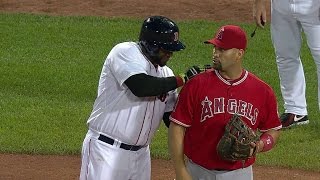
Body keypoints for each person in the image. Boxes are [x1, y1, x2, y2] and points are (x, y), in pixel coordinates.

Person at [79, 15, 187, 180]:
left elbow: (172, 119)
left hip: (141, 156)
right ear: (151, 45)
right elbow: (140, 86)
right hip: (107, 150)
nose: (170, 54)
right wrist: (181, 80)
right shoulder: (125, 52)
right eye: (166, 49)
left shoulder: (166, 74)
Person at [168, 25, 282, 180]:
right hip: (197, 171)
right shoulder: (196, 84)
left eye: (222, 49)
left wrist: (260, 145)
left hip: (239, 174)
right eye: (215, 48)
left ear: (239, 54)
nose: (215, 53)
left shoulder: (262, 91)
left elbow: (273, 130)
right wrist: (180, 170)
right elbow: (177, 127)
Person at [253, 0, 320, 128]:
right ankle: (295, 111)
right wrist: (258, 3)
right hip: (281, 5)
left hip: (313, 5)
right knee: (285, 55)